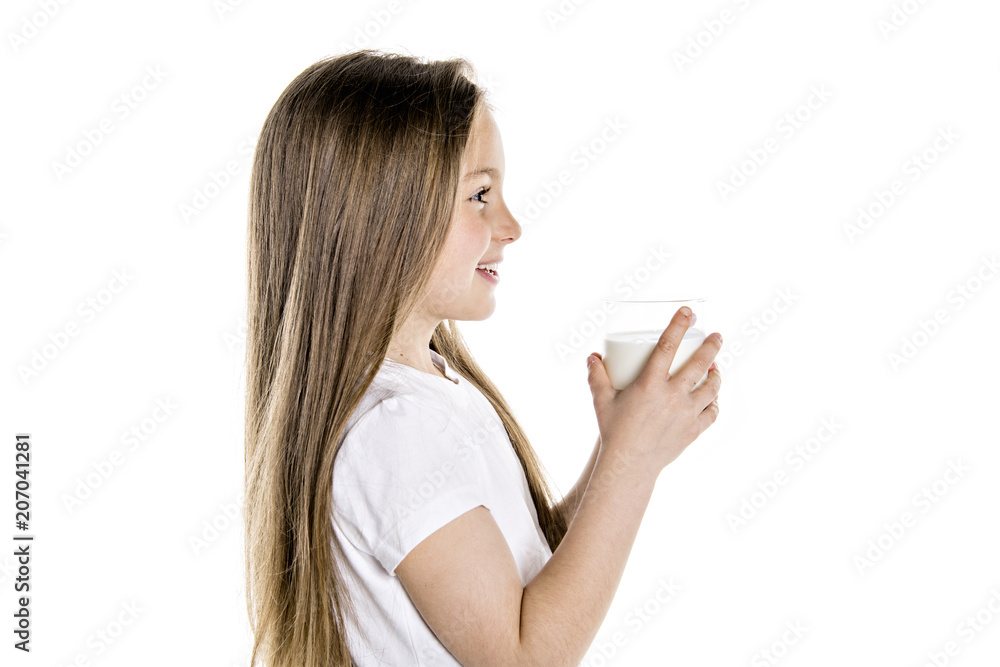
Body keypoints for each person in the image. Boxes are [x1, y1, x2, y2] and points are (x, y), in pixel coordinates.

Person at [244, 48, 722, 667]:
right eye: (479, 196)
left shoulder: (428, 391)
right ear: (382, 217)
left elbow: (519, 579)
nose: (511, 225)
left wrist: (621, 449)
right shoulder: (396, 430)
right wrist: (631, 462)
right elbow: (523, 657)